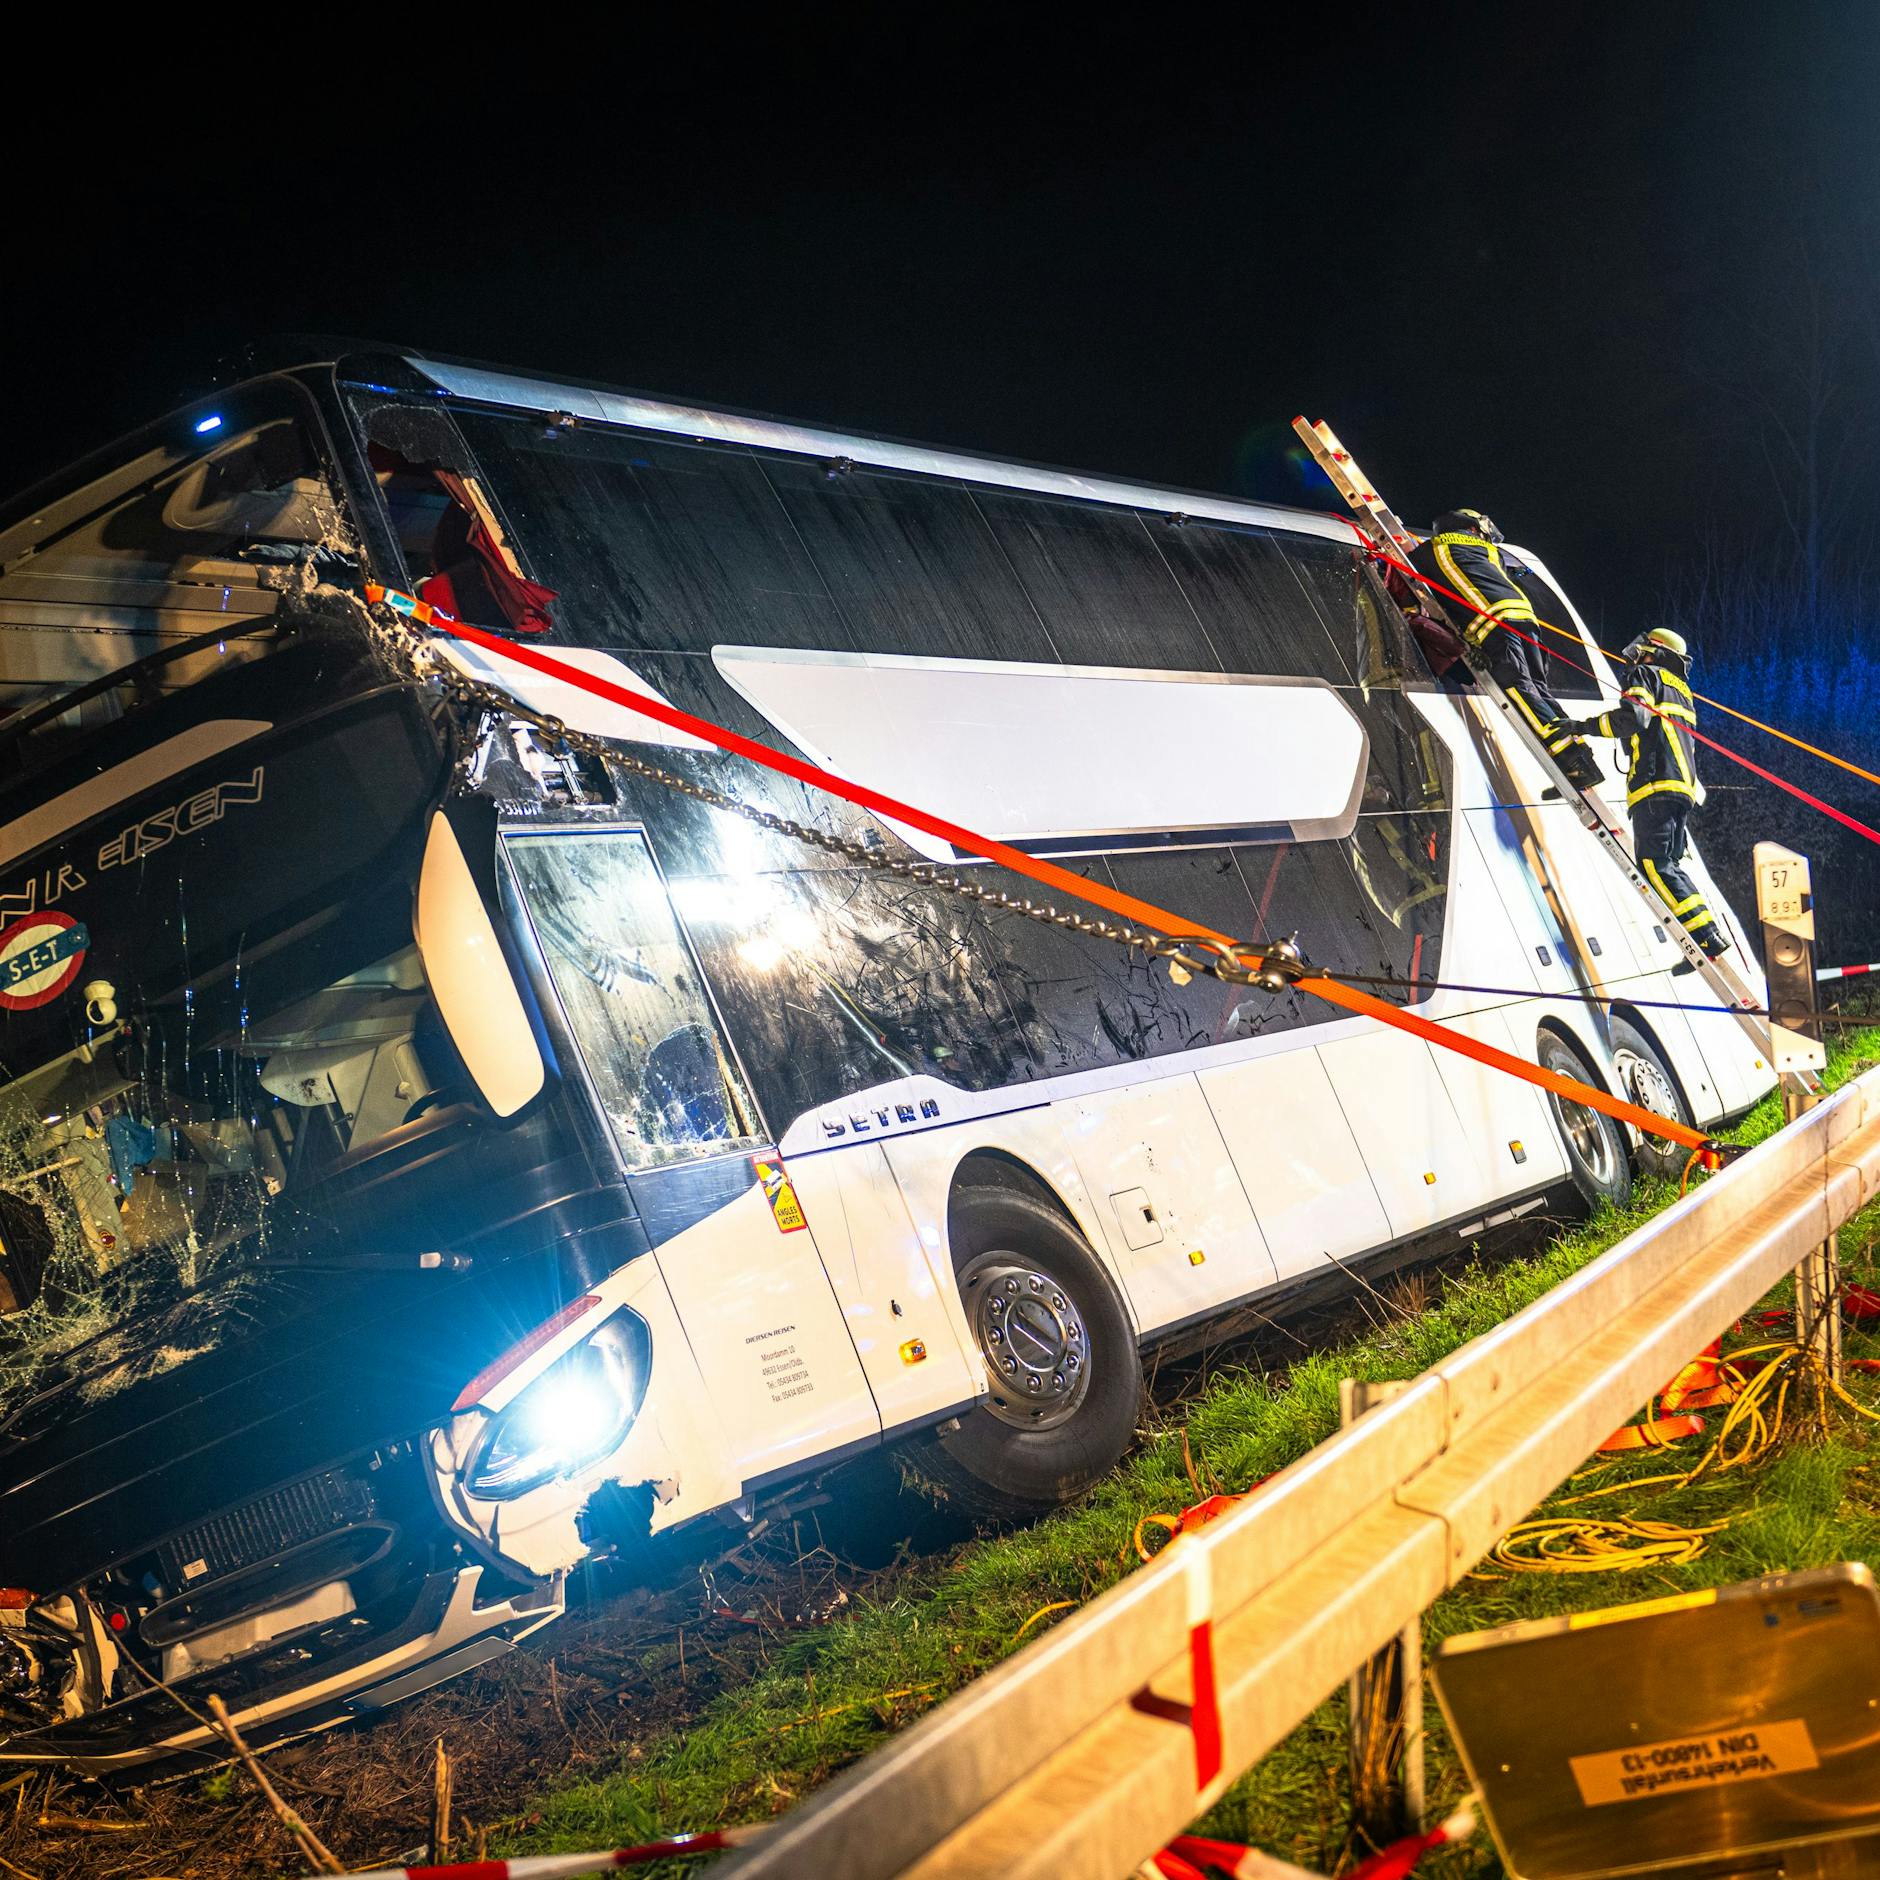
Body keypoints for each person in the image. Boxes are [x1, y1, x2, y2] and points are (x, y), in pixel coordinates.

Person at [1408, 510, 1603, 788]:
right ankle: (1582, 757)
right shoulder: (1491, 552)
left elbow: (1409, 571)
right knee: (1537, 688)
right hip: (1525, 618)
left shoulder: (1433, 549)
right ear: (1472, 528)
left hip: (1492, 622)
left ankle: (1571, 761)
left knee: (1517, 688)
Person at [1571, 627, 1731, 962]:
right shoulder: (1682, 690)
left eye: (1642, 652)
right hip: (1680, 787)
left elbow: (1633, 718)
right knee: (1668, 864)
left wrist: (1583, 727)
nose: (1636, 658)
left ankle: (1704, 937)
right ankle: (1706, 936)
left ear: (1654, 652)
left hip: (1655, 784)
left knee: (1654, 864)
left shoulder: (1646, 674)